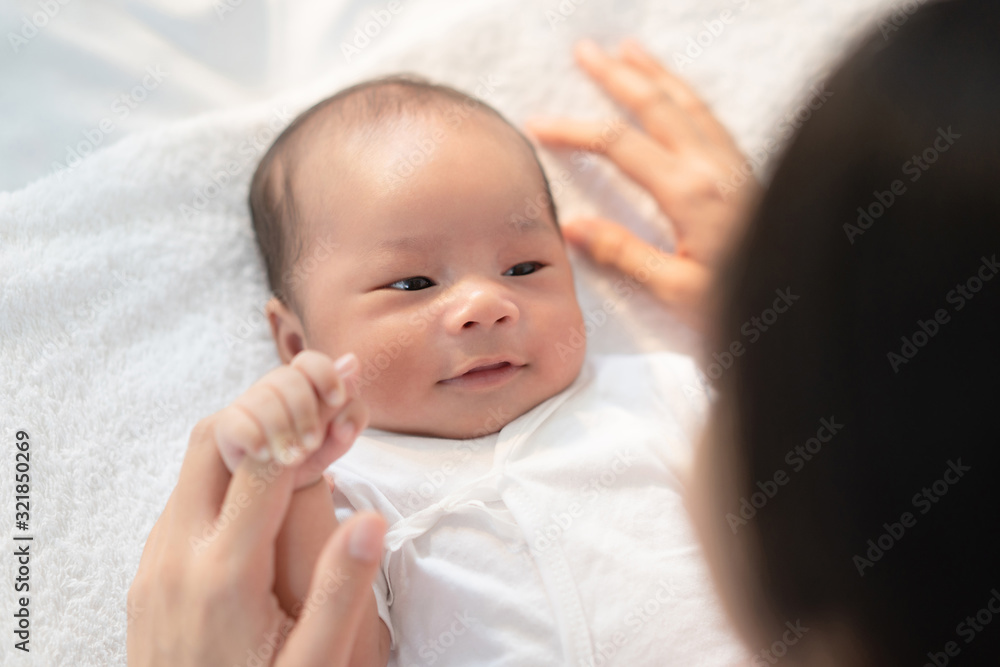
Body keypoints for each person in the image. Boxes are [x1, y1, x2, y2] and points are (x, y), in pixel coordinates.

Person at [129, 0, 1000, 664]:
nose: (484, 305)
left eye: (525, 267)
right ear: (294, 344)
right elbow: (341, 643)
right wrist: (296, 469)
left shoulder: (659, 392)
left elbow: (821, 468)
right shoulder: (356, 481)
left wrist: (766, 316)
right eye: (412, 283)